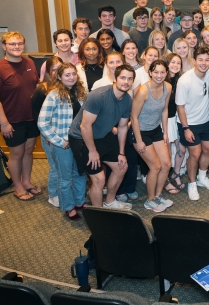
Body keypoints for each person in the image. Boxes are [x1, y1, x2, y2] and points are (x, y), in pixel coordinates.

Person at [68, 64, 135, 209]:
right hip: (81, 137)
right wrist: (92, 151)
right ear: (115, 79)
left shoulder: (127, 100)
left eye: (130, 79)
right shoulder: (98, 96)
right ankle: (99, 214)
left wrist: (122, 153)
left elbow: (123, 127)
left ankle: (109, 202)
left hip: (102, 135)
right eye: (122, 77)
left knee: (122, 167)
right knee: (99, 180)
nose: (126, 81)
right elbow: (85, 126)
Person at [37, 62, 88, 220]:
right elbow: (42, 122)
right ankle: (69, 207)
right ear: (59, 77)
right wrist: (58, 141)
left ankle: (79, 202)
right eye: (67, 75)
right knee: (65, 178)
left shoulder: (81, 93)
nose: (71, 77)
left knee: (80, 174)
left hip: (79, 141)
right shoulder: (53, 95)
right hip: (63, 144)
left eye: (73, 74)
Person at [176, 46, 209, 201]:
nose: (204, 63)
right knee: (195, 154)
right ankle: (192, 184)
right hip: (189, 123)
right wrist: (186, 128)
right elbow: (180, 106)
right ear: (194, 61)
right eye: (200, 59)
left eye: (207, 60)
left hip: (207, 120)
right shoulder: (184, 81)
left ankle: (202, 177)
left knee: (208, 150)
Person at [130, 60, 173, 212]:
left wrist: (166, 132)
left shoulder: (168, 87)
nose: (159, 75)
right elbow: (133, 117)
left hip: (155, 130)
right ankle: (150, 200)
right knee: (155, 167)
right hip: (140, 132)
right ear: (150, 72)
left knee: (167, 164)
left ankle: (158, 195)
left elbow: (165, 110)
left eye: (162, 72)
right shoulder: (143, 91)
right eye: (156, 72)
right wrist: (139, 141)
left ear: (166, 73)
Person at [32, 56, 63, 207]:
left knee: (63, 165)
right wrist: (48, 135)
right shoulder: (42, 89)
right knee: (55, 166)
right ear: (49, 72)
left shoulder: (66, 86)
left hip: (62, 134)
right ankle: (53, 195)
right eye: (54, 69)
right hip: (48, 135)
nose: (57, 73)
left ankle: (61, 191)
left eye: (60, 69)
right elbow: (37, 116)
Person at [163, 53, 185, 194]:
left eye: (178, 63)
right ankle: (165, 180)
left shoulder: (180, 80)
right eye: (172, 62)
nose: (175, 65)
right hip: (165, 120)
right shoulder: (161, 80)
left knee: (181, 150)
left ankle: (175, 174)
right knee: (165, 154)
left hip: (177, 118)